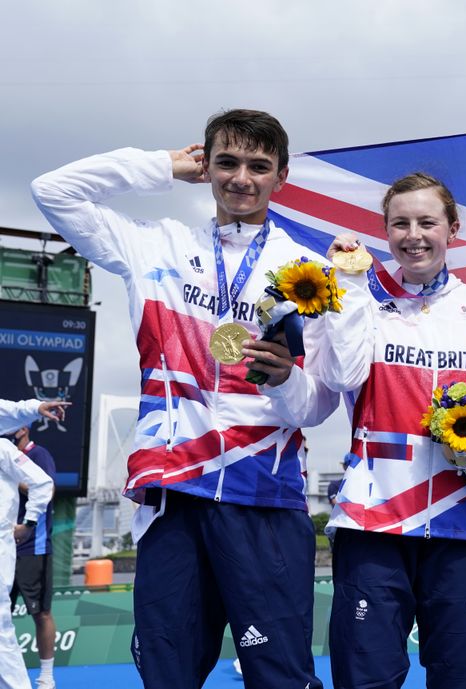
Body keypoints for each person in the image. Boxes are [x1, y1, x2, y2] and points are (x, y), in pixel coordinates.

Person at [31, 110, 338, 689]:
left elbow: (320, 406)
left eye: (258, 166)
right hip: (173, 494)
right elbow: (52, 191)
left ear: (282, 176)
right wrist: (163, 166)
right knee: (167, 674)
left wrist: (287, 382)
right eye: (226, 162)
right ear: (207, 165)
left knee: (280, 677)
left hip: (263, 494)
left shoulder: (310, 273)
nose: (241, 178)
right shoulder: (155, 246)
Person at [260, 172, 466, 689]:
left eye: (427, 222)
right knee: (366, 680)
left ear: (453, 229)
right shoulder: (361, 301)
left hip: (459, 525)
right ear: (384, 233)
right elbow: (340, 379)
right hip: (373, 523)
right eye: (399, 224)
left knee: (460, 681)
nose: (414, 235)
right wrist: (352, 287)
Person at [1, 400, 63, 689]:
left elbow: (44, 485)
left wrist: (29, 523)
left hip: (24, 547)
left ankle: (45, 677)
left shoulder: (17, 452)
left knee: (33, 616)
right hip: (12, 547)